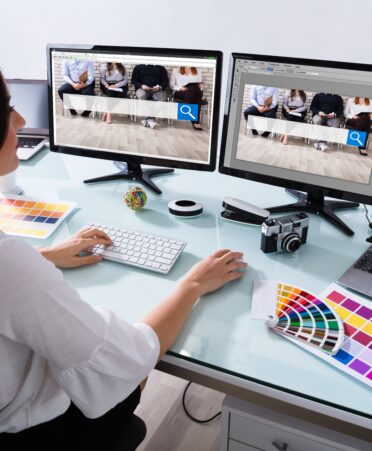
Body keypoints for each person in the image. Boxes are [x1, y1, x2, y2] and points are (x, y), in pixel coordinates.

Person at [0, 71, 247, 450]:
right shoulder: (8, 265)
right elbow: (124, 359)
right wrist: (193, 283)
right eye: (8, 110)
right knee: (127, 362)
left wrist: (42, 256)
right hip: (35, 437)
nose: (20, 121)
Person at [131, 64, 169, 129]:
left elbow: (166, 82)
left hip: (157, 90)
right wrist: (142, 86)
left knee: (162, 98)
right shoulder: (138, 67)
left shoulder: (161, 68)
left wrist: (159, 87)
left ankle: (148, 119)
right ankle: (150, 120)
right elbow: (133, 80)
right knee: (141, 95)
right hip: (142, 89)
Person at [170, 66, 203, 131]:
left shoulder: (198, 71)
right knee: (195, 92)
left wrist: (201, 86)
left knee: (194, 89)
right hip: (180, 92)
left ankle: (185, 109)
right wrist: (180, 88)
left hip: (193, 92)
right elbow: (171, 85)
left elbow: (200, 85)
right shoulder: (176, 70)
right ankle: (196, 122)